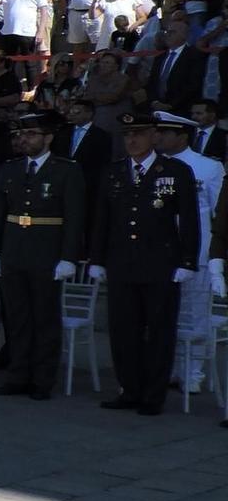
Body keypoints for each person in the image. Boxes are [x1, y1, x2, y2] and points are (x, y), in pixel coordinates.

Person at [89, 113, 200, 415]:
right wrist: (96, 258)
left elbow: (189, 219)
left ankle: (153, 395)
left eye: (138, 133)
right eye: (127, 135)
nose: (132, 140)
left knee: (160, 331)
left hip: (160, 262)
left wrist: (188, 260)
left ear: (154, 135)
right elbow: (102, 219)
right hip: (122, 262)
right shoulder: (113, 172)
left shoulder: (176, 171)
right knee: (123, 330)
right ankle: (129, 389)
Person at [0, 110, 85, 400]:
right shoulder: (11, 168)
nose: (24, 140)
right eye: (21, 135)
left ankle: (42, 379)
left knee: (44, 318)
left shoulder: (66, 170)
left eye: (31, 134)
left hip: (47, 250)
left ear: (48, 137)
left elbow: (75, 216)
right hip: (14, 249)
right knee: (17, 318)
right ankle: (18, 374)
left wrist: (69, 256)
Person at [155, 112, 225, 394]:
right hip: (161, 249)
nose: (157, 137)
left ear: (181, 136)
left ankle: (194, 371)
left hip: (196, 250)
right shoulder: (156, 166)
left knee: (195, 313)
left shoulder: (207, 167)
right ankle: (168, 367)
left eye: (164, 133)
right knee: (164, 312)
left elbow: (218, 212)